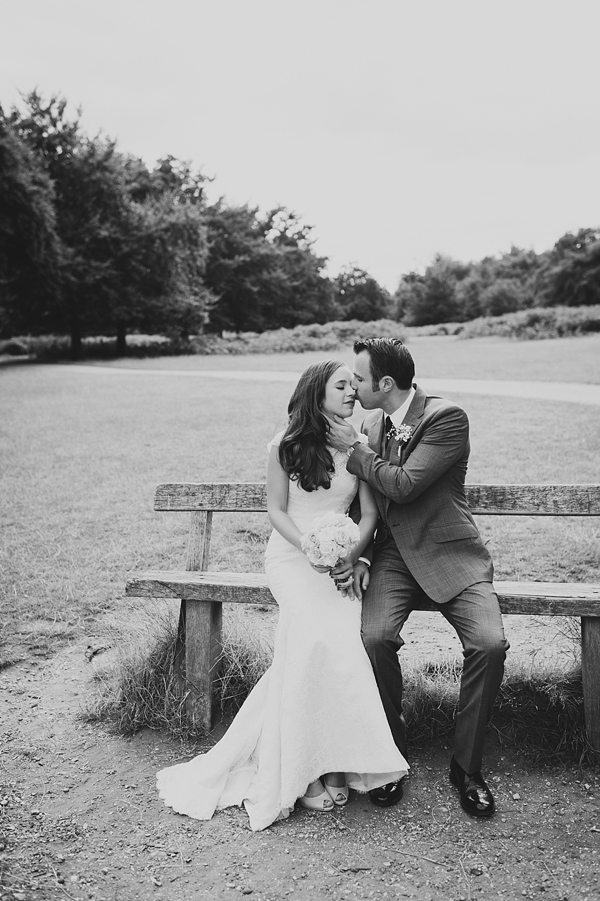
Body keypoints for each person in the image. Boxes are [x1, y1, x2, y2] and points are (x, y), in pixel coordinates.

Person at [156, 360, 408, 831]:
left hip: (339, 560)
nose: (353, 392)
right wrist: (310, 548)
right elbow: (276, 511)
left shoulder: (358, 444)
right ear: (317, 393)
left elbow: (369, 515)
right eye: (342, 386)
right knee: (311, 641)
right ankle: (303, 770)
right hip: (293, 558)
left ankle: (334, 762)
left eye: (355, 386)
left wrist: (349, 555)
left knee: (340, 648)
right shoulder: (284, 445)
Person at [327, 337, 509, 818]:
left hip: (451, 554)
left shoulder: (446, 418)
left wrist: (355, 450)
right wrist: (360, 555)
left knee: (489, 644)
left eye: (360, 379)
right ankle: (390, 759)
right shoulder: (369, 422)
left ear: (385, 383)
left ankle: (466, 769)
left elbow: (404, 487)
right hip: (390, 558)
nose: (354, 387)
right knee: (375, 638)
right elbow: (360, 500)